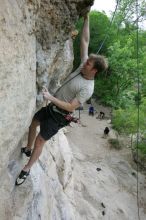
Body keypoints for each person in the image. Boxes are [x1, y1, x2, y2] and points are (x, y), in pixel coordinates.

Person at [15, 13, 108, 185]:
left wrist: (50, 97)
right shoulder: (83, 66)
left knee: (40, 140)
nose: (85, 62)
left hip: (59, 116)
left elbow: (71, 107)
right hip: (52, 107)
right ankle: (27, 149)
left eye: (88, 63)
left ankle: (27, 169)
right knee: (33, 123)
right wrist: (86, 17)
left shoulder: (87, 88)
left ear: (94, 71)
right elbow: (85, 41)